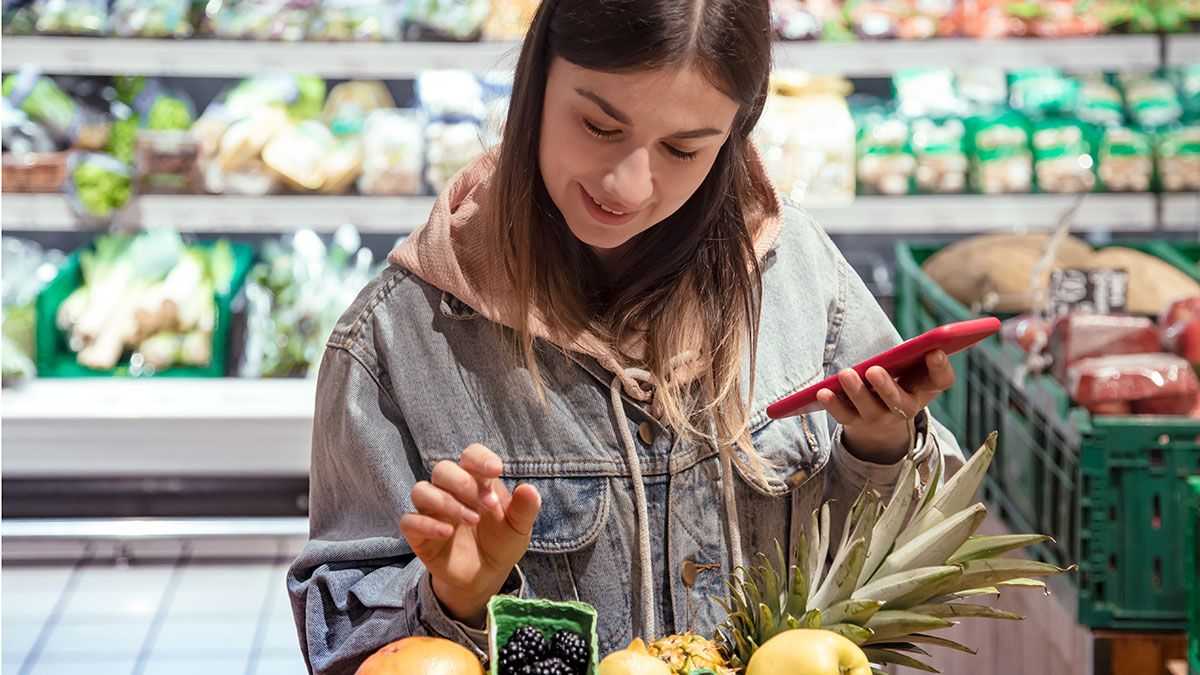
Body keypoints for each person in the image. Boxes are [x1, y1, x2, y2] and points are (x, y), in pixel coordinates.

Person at [287, 0, 964, 672]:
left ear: (736, 131)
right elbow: (342, 642)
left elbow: (920, 571)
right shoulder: (395, 338)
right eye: (599, 124)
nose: (628, 185)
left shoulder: (801, 276)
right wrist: (452, 598)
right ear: (538, 75)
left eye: (683, 148)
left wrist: (880, 446)